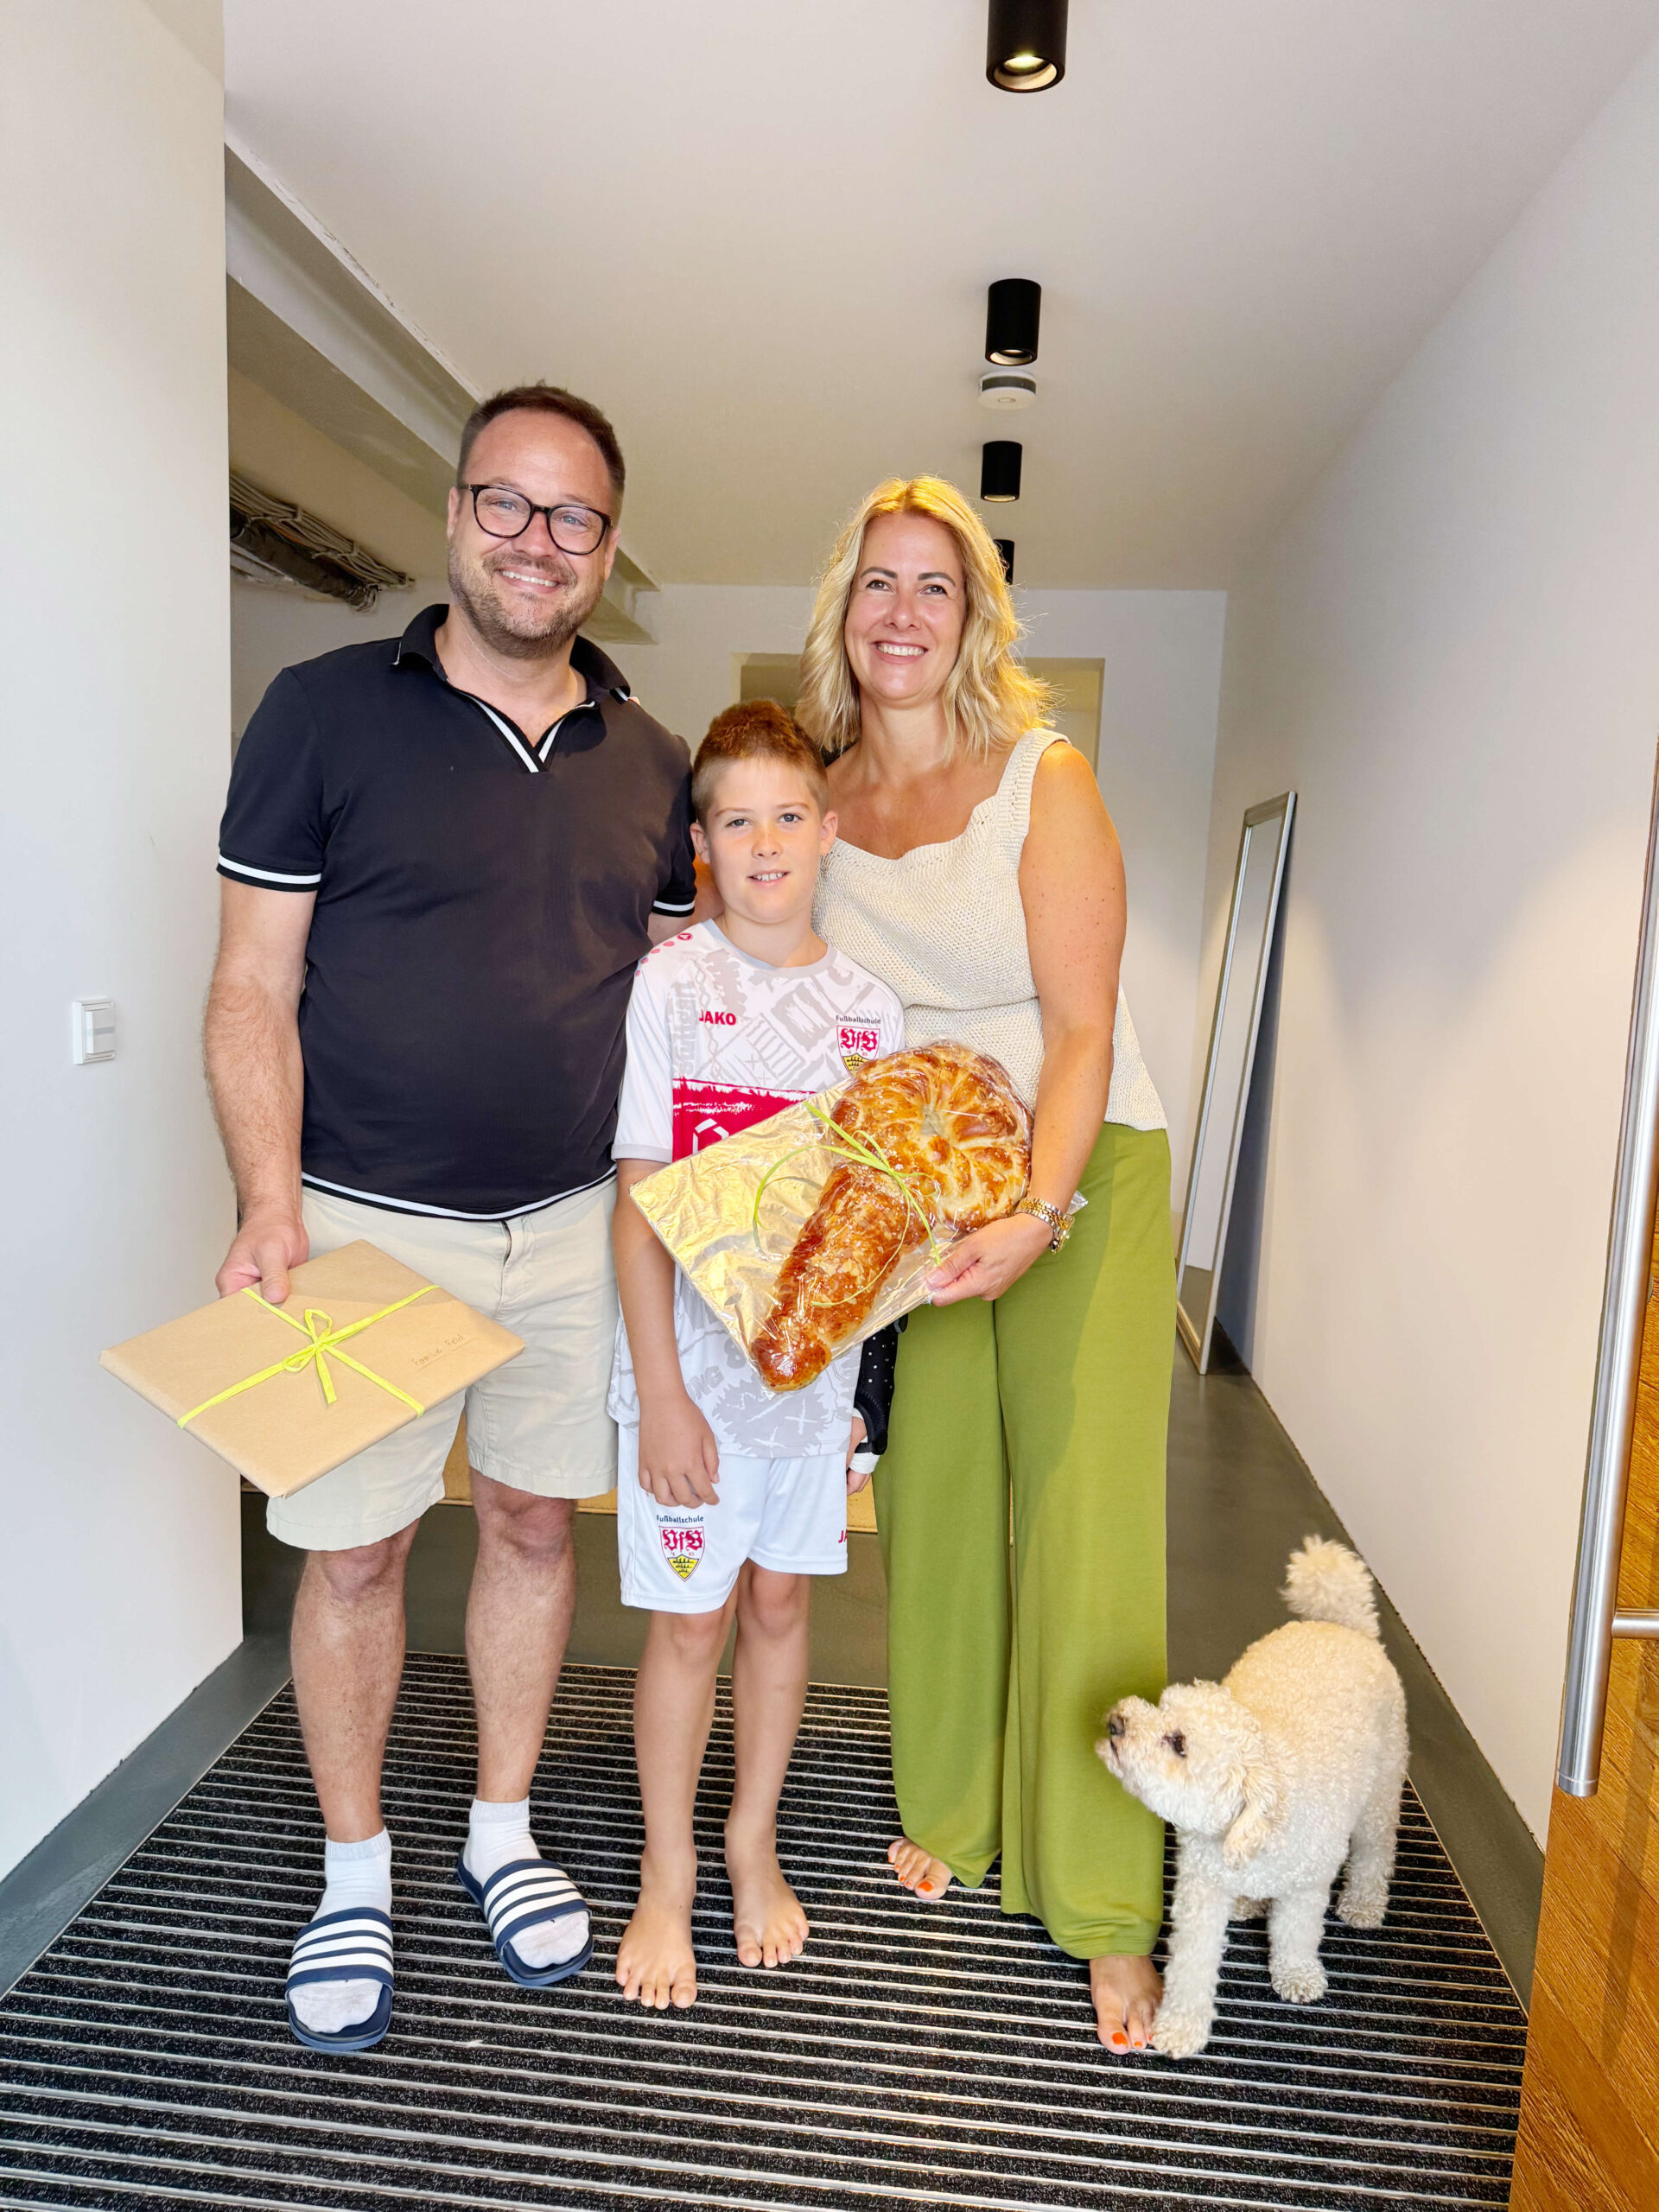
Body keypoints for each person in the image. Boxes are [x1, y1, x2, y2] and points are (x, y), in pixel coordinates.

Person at [205, 384, 699, 2053]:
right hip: (362, 1225)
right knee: (356, 1551)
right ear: (455, 512)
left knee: (539, 1530)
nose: (536, 541)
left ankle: (501, 1828)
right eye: (508, 502)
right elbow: (250, 986)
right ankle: (354, 1871)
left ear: (609, 548)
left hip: (574, 1225)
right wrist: (268, 1203)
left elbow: (689, 1005)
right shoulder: (321, 712)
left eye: (574, 516)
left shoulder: (656, 761)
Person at [798, 477, 1175, 2053]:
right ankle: (954, 1803)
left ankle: (1104, 1902)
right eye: (877, 584)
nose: (901, 613)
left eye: (934, 588)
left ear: (975, 621)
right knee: (940, 1498)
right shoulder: (814, 801)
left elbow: (1080, 1029)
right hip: (922, 1195)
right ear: (843, 610)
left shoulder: (1043, 778)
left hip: (1085, 1173)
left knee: (1081, 1521)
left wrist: (1039, 1211)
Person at [607, 702, 905, 2011]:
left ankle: (750, 1841)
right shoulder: (671, 986)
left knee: (780, 1606)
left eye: (790, 816)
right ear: (702, 844)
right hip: (687, 1389)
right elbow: (640, 1206)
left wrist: (865, 1403)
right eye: (738, 821)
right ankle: (668, 1870)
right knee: (691, 1624)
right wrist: (663, 1395)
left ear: (830, 833)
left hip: (810, 1394)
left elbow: (876, 1232)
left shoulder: (871, 1011)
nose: (767, 842)